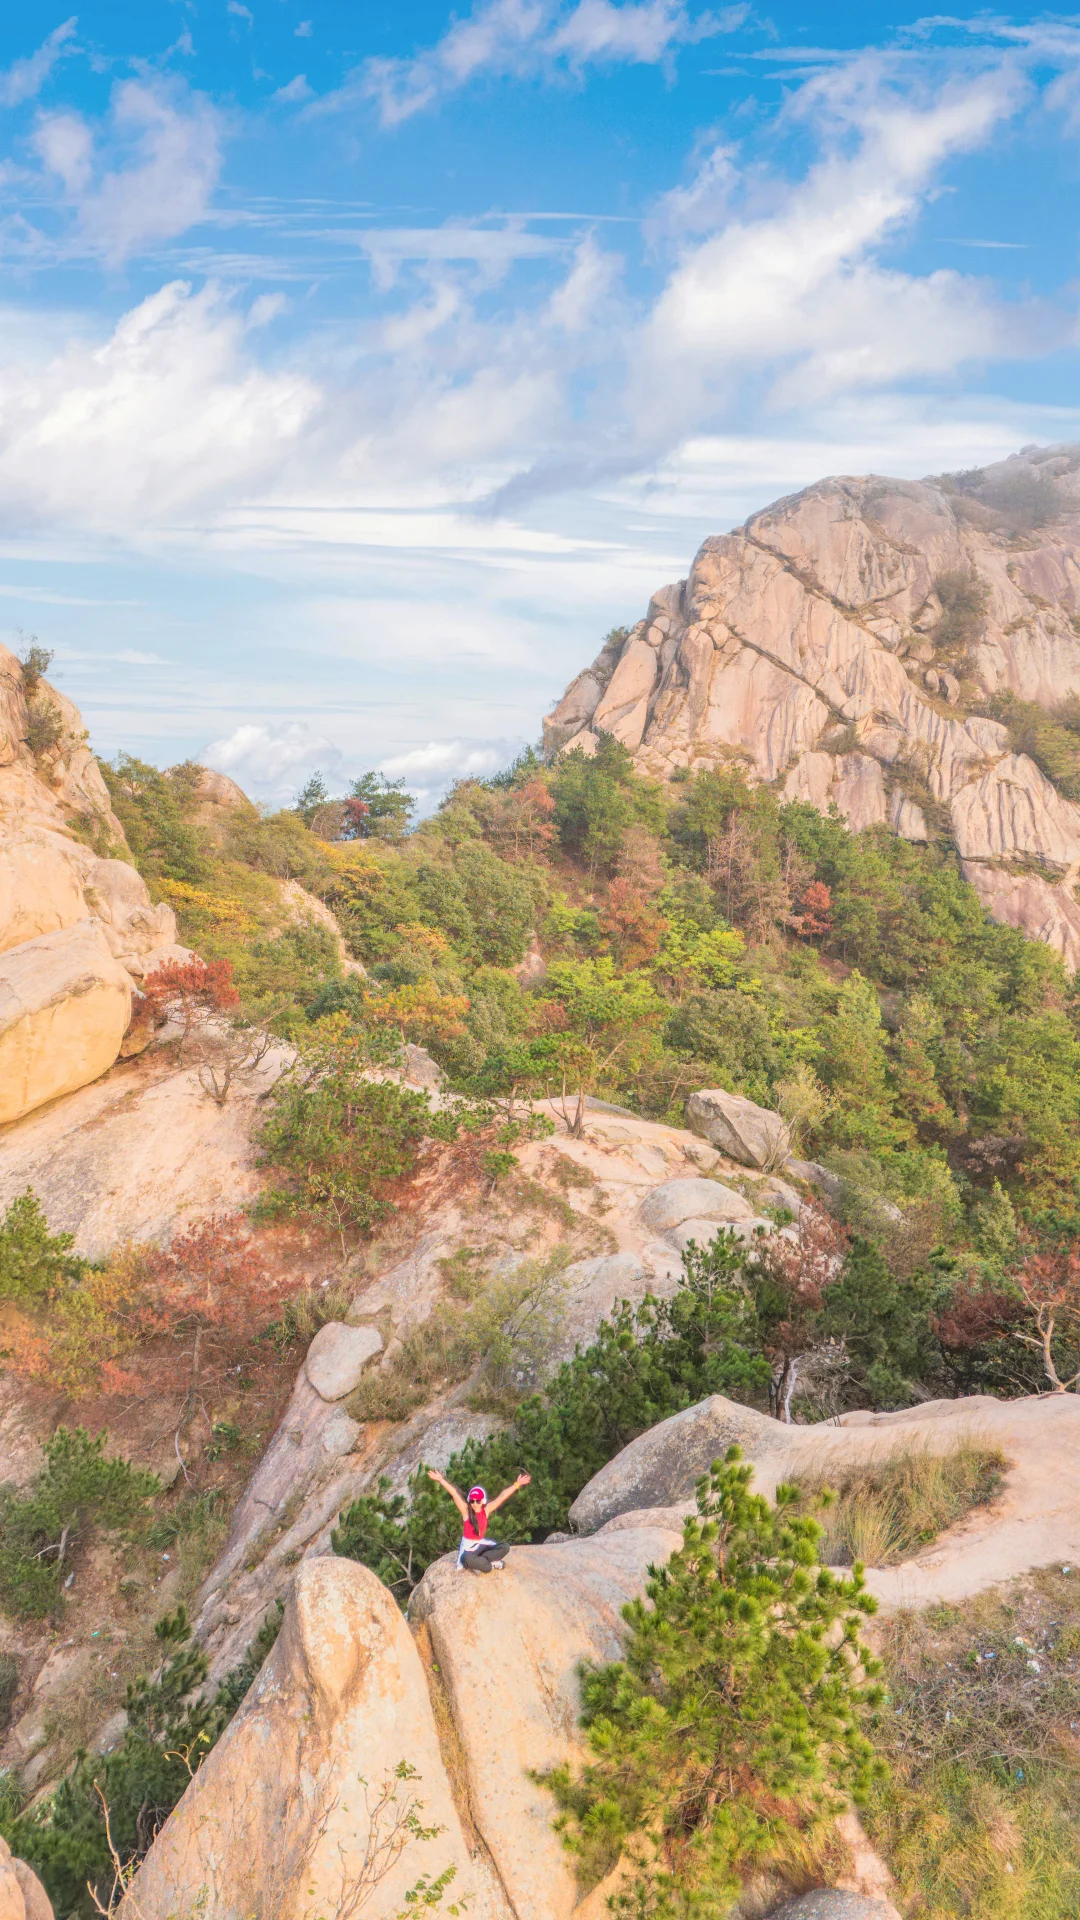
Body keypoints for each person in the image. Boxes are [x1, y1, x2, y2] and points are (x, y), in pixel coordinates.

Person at [426, 1467, 531, 1573]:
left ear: (483, 1501)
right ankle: (489, 1564)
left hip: (481, 1545)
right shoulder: (466, 1511)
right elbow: (454, 1494)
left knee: (505, 1547)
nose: (475, 1504)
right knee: (467, 1559)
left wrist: (517, 1484)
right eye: (472, 1501)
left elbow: (502, 1496)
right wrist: (441, 1480)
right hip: (469, 1549)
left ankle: (480, 1563)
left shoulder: (486, 1510)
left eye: (478, 1501)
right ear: (469, 1501)